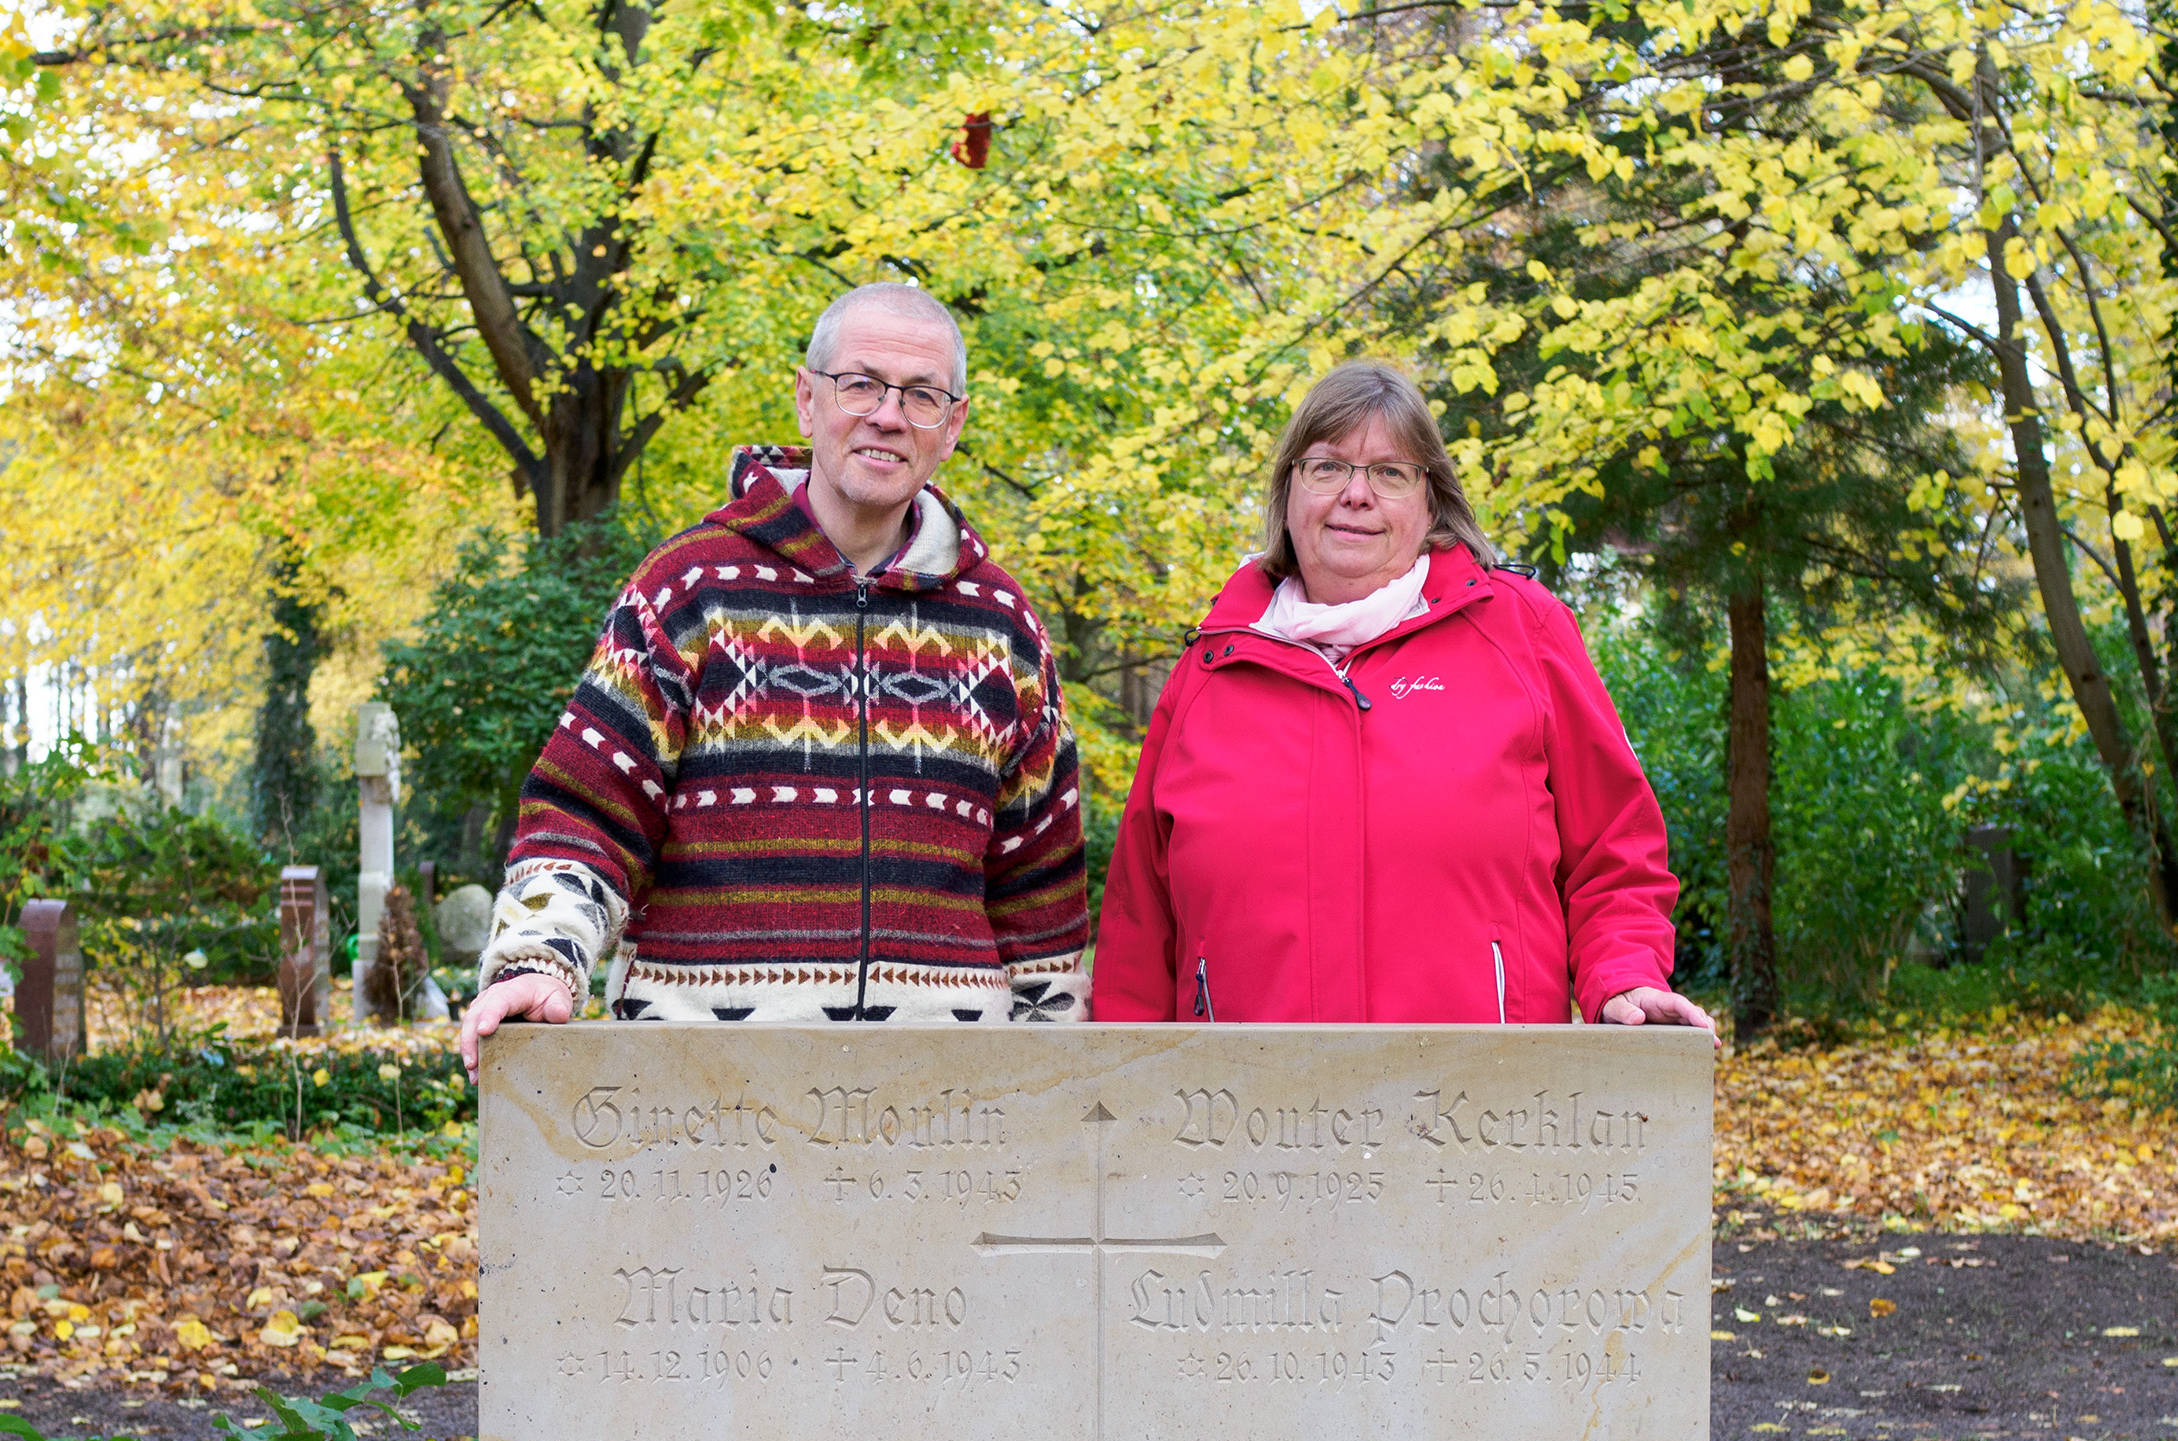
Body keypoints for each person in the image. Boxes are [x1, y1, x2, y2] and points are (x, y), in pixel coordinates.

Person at [460, 282, 1089, 1078]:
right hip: (698, 1094)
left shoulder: (1004, 628)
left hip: (943, 1112)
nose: (888, 415)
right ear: (806, 399)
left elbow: (1042, 899)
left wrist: (1049, 1094)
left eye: (922, 395)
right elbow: (585, 813)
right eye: (859, 383)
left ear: (952, 425)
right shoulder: (689, 592)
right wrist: (537, 964)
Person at [1090, 358, 1715, 1039]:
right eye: (1327, 467)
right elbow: (1138, 923)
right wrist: (1128, 1097)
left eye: (1390, 473)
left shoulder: (1521, 631)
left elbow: (1614, 849)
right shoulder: (1212, 666)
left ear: (1430, 499)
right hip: (1248, 1119)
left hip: (1488, 1112)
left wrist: (1622, 974)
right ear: (1289, 490)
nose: (1356, 495)